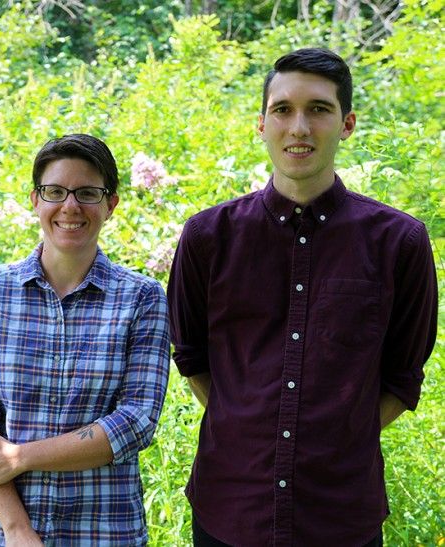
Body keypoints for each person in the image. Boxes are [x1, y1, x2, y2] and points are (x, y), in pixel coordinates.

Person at [167, 48, 438, 545]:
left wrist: (337, 434)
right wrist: (251, 426)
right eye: (283, 109)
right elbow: (193, 358)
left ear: (347, 123)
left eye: (318, 109)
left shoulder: (399, 242)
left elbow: (403, 375)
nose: (299, 127)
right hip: (230, 508)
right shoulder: (208, 237)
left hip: (340, 512)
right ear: (261, 124)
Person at [0, 134, 171, 546]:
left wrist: (18, 457)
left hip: (102, 533)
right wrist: (17, 530)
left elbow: (136, 421)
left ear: (111, 204)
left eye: (87, 193)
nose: (70, 207)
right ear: (35, 199)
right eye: (55, 192)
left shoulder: (142, 298)